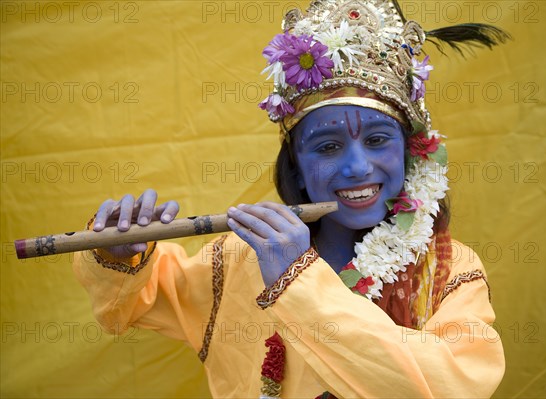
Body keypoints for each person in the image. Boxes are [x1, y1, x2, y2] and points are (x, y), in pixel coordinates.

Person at [73, 1, 509, 397]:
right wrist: (118, 254)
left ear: (411, 152)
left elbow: (448, 388)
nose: (358, 168)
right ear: (296, 165)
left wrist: (296, 282)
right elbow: (143, 299)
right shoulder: (241, 256)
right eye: (328, 146)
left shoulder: (450, 267)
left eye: (377, 140)